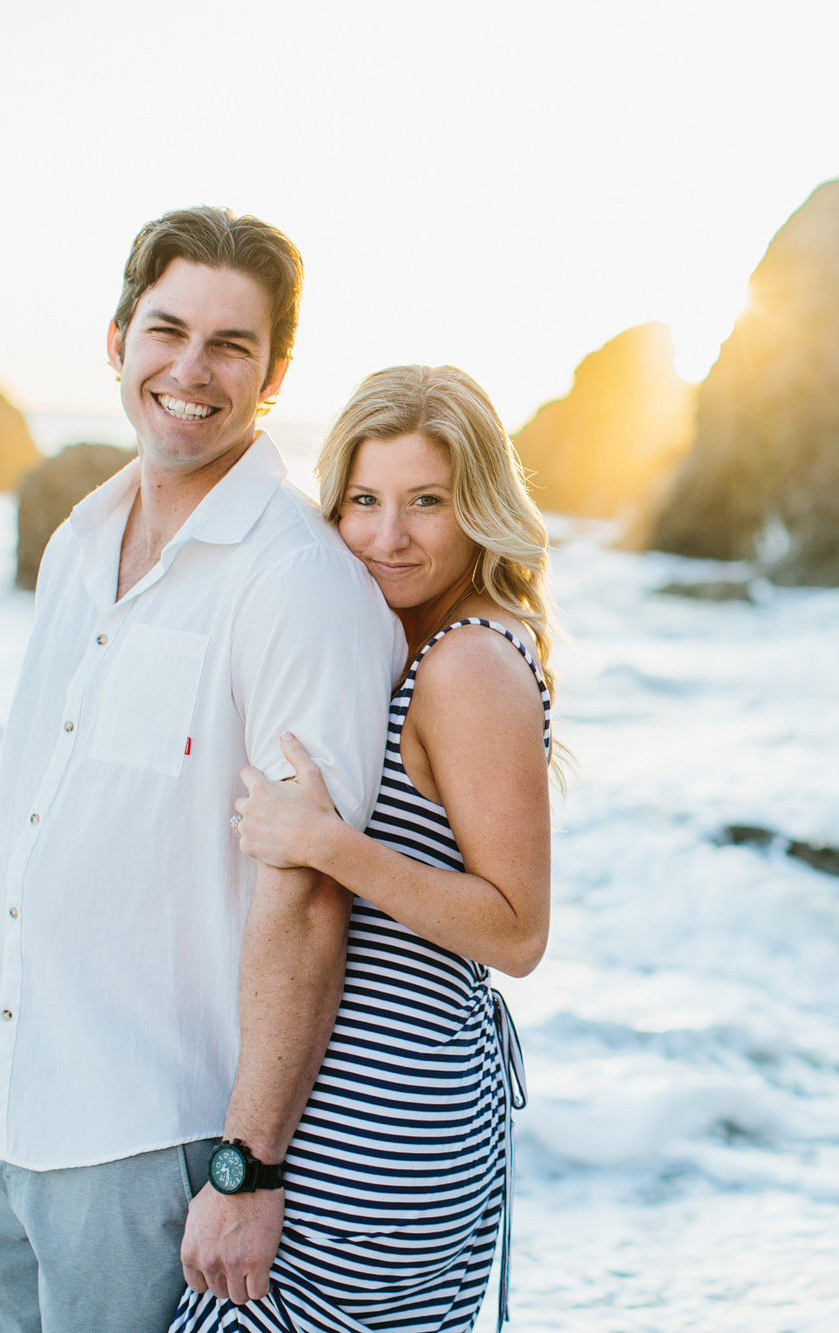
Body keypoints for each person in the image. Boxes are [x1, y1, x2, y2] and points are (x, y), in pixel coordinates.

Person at [0, 206, 408, 1331]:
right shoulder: (75, 542)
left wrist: (248, 1169)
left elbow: (304, 899)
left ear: (274, 373)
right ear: (118, 339)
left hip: (144, 1150)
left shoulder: (297, 582)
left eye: (230, 346)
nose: (189, 371)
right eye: (166, 330)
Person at [170, 364, 557, 1332]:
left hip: (381, 1128)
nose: (389, 536)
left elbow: (515, 931)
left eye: (426, 501)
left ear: (477, 507)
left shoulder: (467, 662)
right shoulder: (420, 642)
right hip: (379, 1109)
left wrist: (328, 846)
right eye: (364, 501)